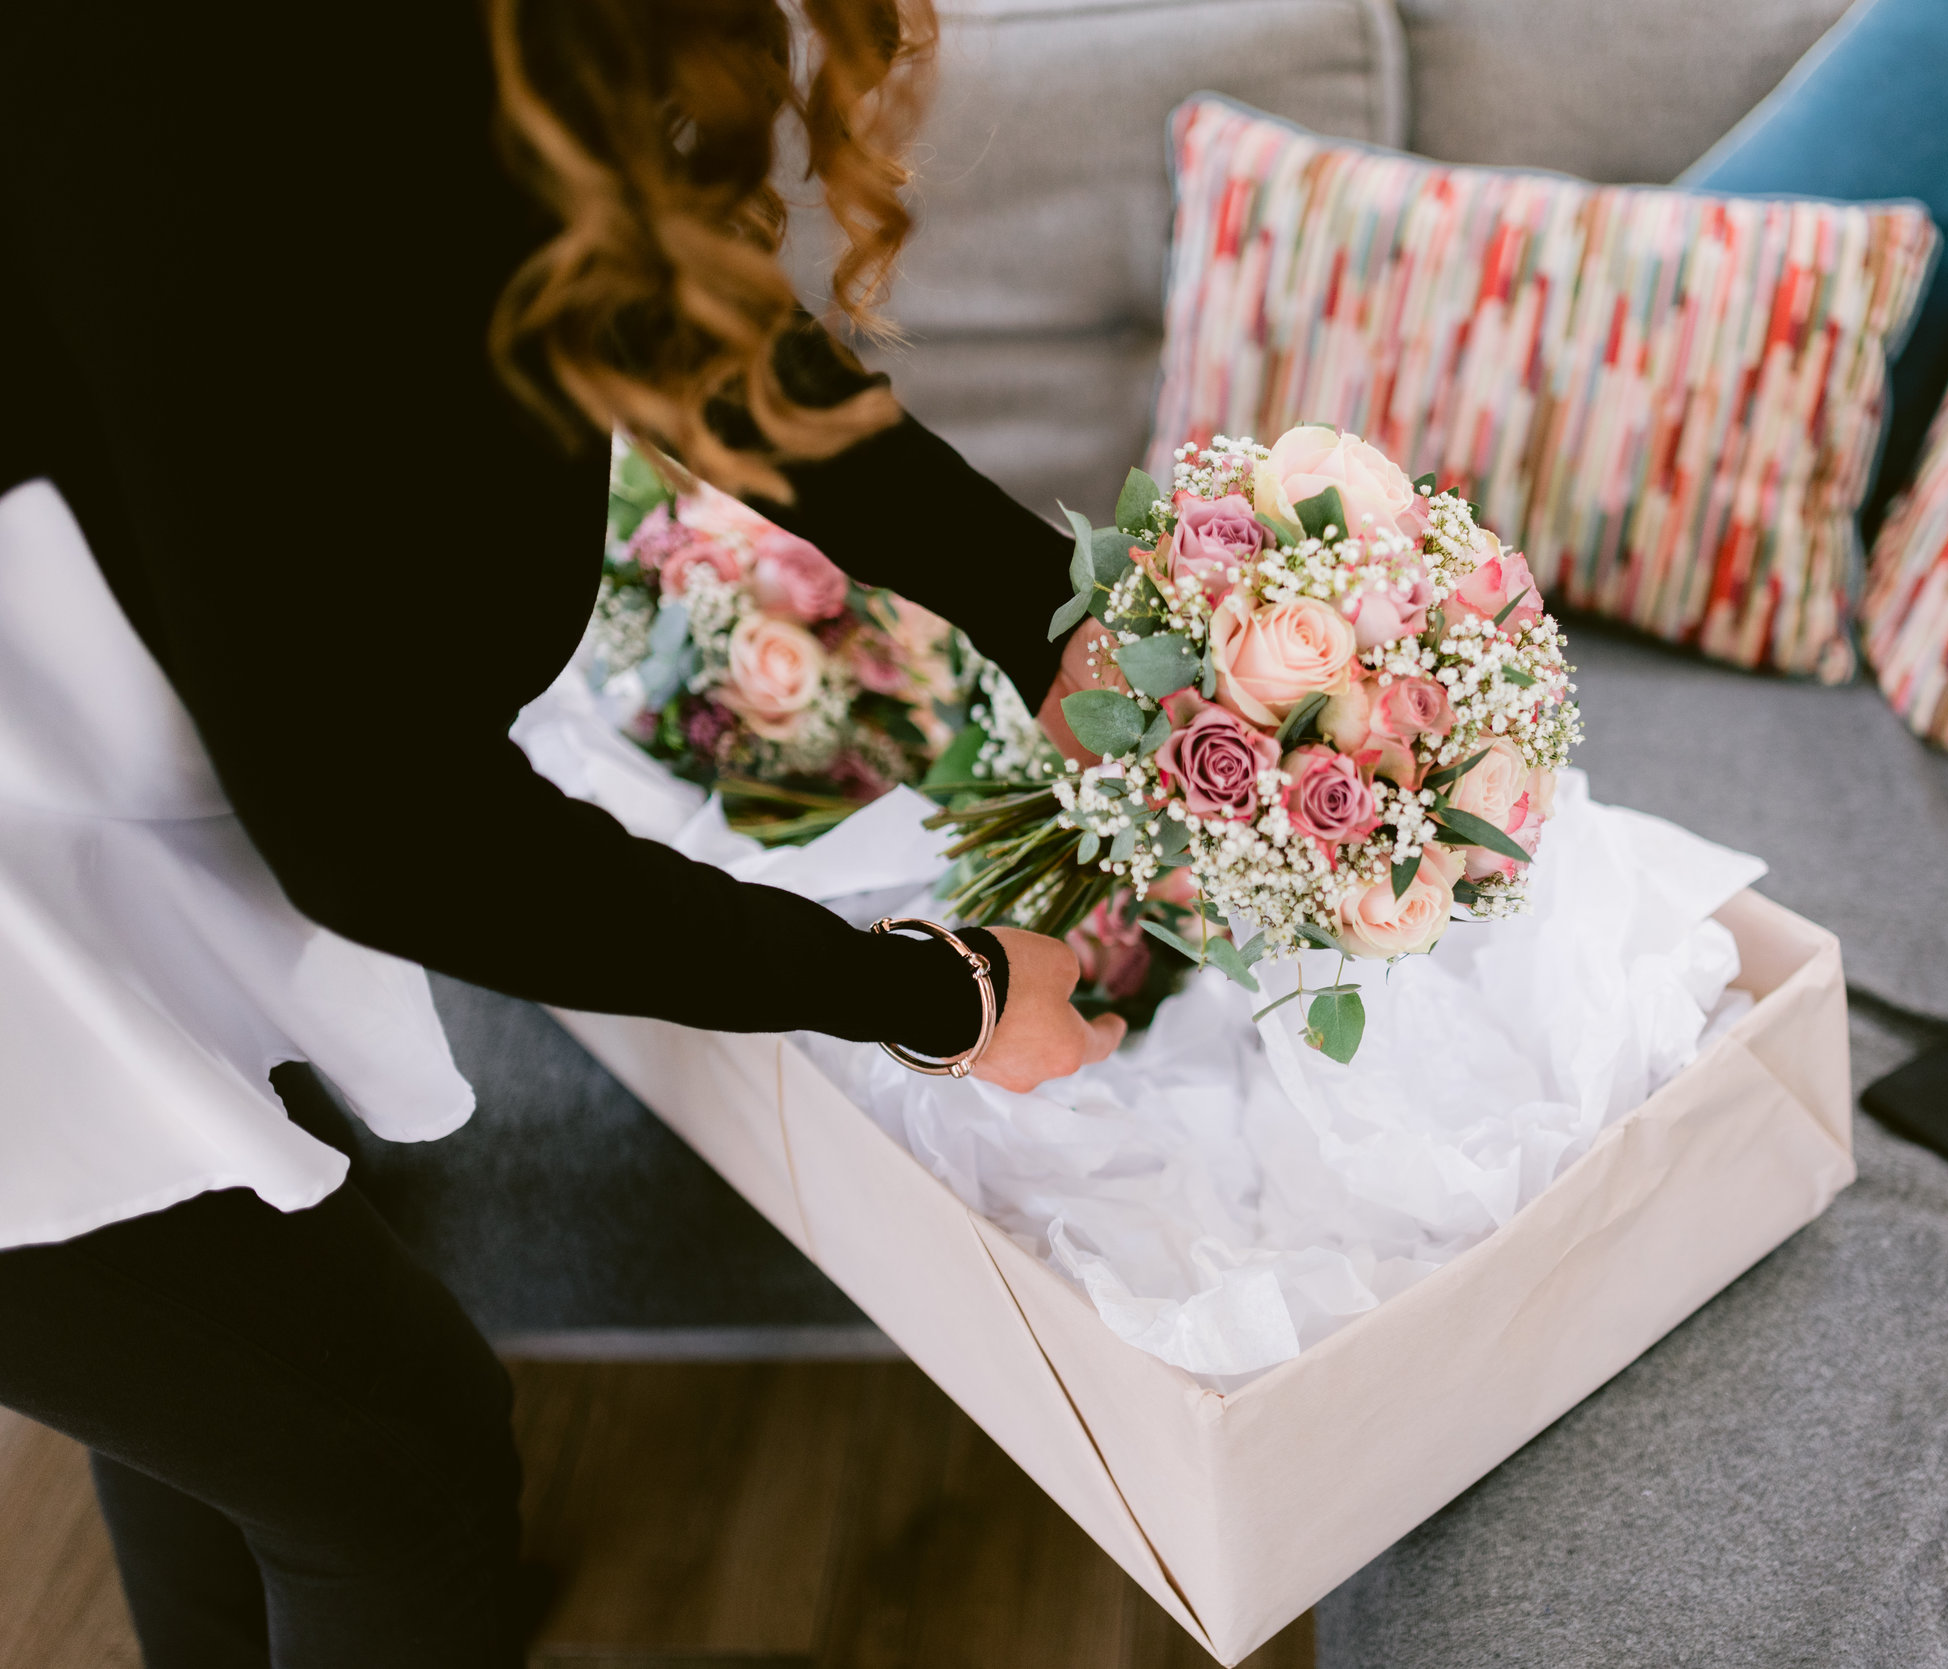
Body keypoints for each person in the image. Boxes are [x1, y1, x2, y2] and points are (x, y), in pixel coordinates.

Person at [0, 2, 1121, 1662]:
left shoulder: (470, 56)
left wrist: (1042, 612)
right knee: (398, 1467)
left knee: (234, 1396)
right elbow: (391, 837)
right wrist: (935, 992)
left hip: (88, 816)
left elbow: (637, 299)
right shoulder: (182, 65)